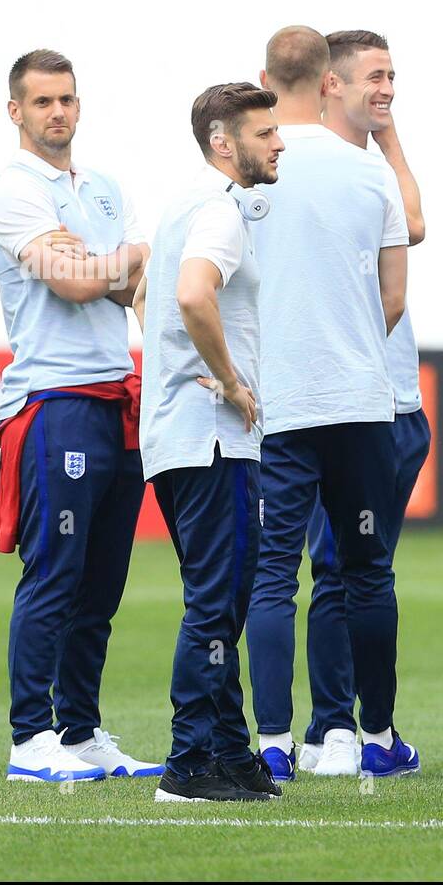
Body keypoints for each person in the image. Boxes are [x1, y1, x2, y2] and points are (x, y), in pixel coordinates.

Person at [244, 27, 419, 782]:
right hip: (358, 404)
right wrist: (344, 346)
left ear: (264, 80)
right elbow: (393, 296)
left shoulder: (247, 177)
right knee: (365, 571)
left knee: (274, 575)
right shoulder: (368, 173)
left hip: (278, 406)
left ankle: (278, 741)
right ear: (326, 82)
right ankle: (373, 733)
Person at [0, 48, 160, 783]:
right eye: (43, 101)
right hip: (56, 402)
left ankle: (81, 729)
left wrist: (106, 263)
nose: (58, 112)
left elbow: (117, 284)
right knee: (54, 571)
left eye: (67, 99)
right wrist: (124, 259)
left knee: (102, 579)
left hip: (115, 396)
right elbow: (74, 282)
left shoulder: (103, 188)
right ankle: (31, 737)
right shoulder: (13, 190)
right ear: (16, 111)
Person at [139, 82, 285, 803]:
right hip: (212, 440)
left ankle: (229, 751)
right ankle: (187, 762)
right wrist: (227, 380)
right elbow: (192, 295)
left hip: (176, 436)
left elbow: (145, 295)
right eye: (264, 132)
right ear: (224, 143)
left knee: (218, 598)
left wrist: (179, 368)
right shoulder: (221, 210)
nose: (279, 142)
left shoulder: (185, 205)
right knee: (217, 601)